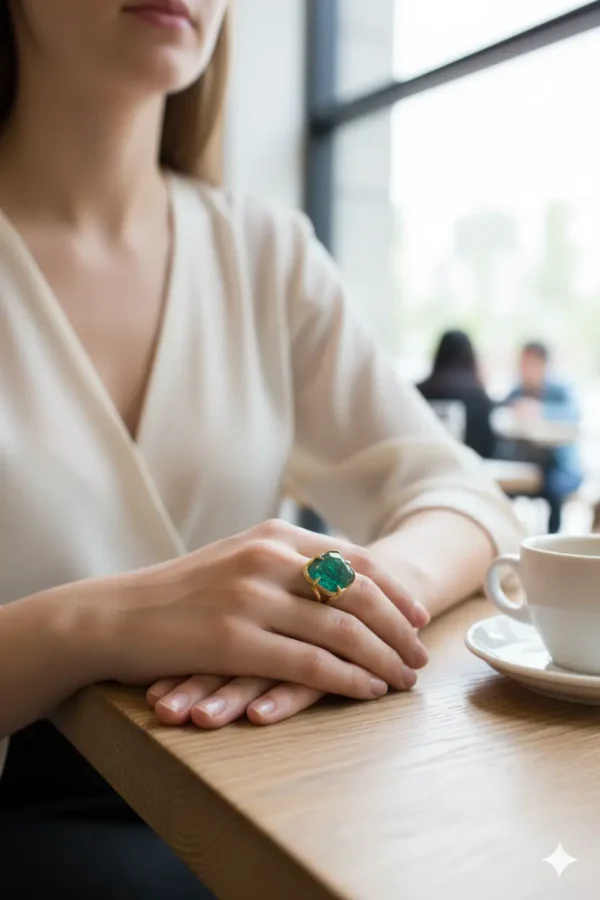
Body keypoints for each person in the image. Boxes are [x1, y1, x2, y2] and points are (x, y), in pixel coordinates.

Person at [0, 1, 521, 896]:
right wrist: (95, 624)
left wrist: (333, 604)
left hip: (263, 799)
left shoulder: (264, 253)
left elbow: (462, 498)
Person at [503, 341, 583, 533]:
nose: (523, 368)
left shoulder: (559, 391)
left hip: (559, 466)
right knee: (501, 490)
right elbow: (500, 417)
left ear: (542, 363)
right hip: (525, 464)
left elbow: (573, 416)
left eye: (529, 362)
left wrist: (540, 411)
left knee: (554, 490)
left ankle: (551, 542)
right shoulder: (516, 392)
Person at [417, 330, 496, 458]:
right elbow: (488, 447)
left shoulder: (417, 392)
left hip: (424, 469)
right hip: (469, 470)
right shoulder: (478, 397)